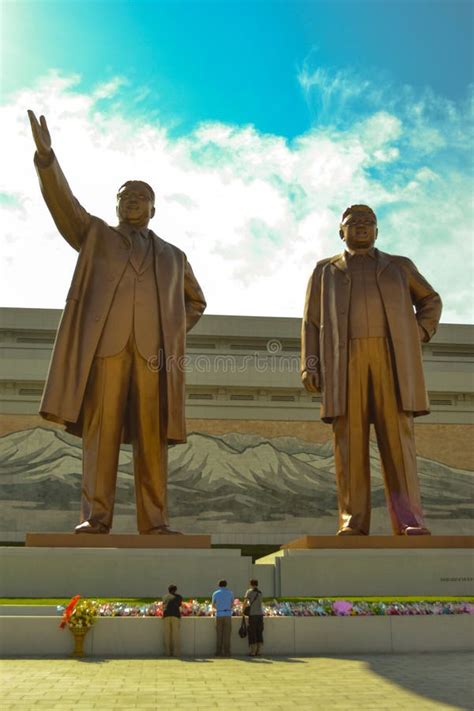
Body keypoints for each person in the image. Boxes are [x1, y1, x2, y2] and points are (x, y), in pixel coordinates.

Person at [27, 110, 206, 535]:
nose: (133, 201)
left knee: (151, 441)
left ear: (153, 209)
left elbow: (195, 302)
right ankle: (96, 517)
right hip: (105, 353)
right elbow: (65, 208)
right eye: (126, 196)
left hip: (152, 360)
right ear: (116, 205)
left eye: (141, 197)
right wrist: (48, 159)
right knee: (100, 436)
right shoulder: (96, 236)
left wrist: (170, 330)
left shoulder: (173, 256)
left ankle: (155, 522)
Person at [301, 204, 442, 536]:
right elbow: (310, 322)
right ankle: (352, 522)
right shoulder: (325, 270)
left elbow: (430, 301)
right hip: (343, 361)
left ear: (377, 232)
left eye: (368, 223)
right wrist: (310, 364)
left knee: (398, 442)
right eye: (354, 223)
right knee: (348, 442)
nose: (361, 227)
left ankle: (410, 521)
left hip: (391, 359)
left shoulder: (399, 266)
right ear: (341, 231)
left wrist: (418, 333)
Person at [211, 580, 234, 657]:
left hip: (219, 614)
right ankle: (227, 652)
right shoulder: (230, 593)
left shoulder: (215, 593)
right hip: (227, 614)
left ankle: (218, 651)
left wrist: (218, 608)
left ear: (219, 585)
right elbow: (232, 604)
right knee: (227, 634)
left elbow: (213, 605)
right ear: (226, 585)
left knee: (219, 634)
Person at [243, 578, 264, 657]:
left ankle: (253, 652)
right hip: (260, 615)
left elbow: (245, 602)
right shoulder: (260, 593)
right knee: (259, 632)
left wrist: (242, 611)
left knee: (252, 633)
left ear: (251, 584)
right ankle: (258, 651)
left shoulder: (249, 592)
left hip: (253, 614)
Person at [162, 584, 183, 657]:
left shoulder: (164, 597)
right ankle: (175, 653)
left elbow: (164, 605)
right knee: (175, 634)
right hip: (175, 615)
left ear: (168, 590)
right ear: (175, 590)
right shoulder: (179, 597)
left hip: (166, 615)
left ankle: (167, 652)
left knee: (167, 634)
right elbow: (179, 605)